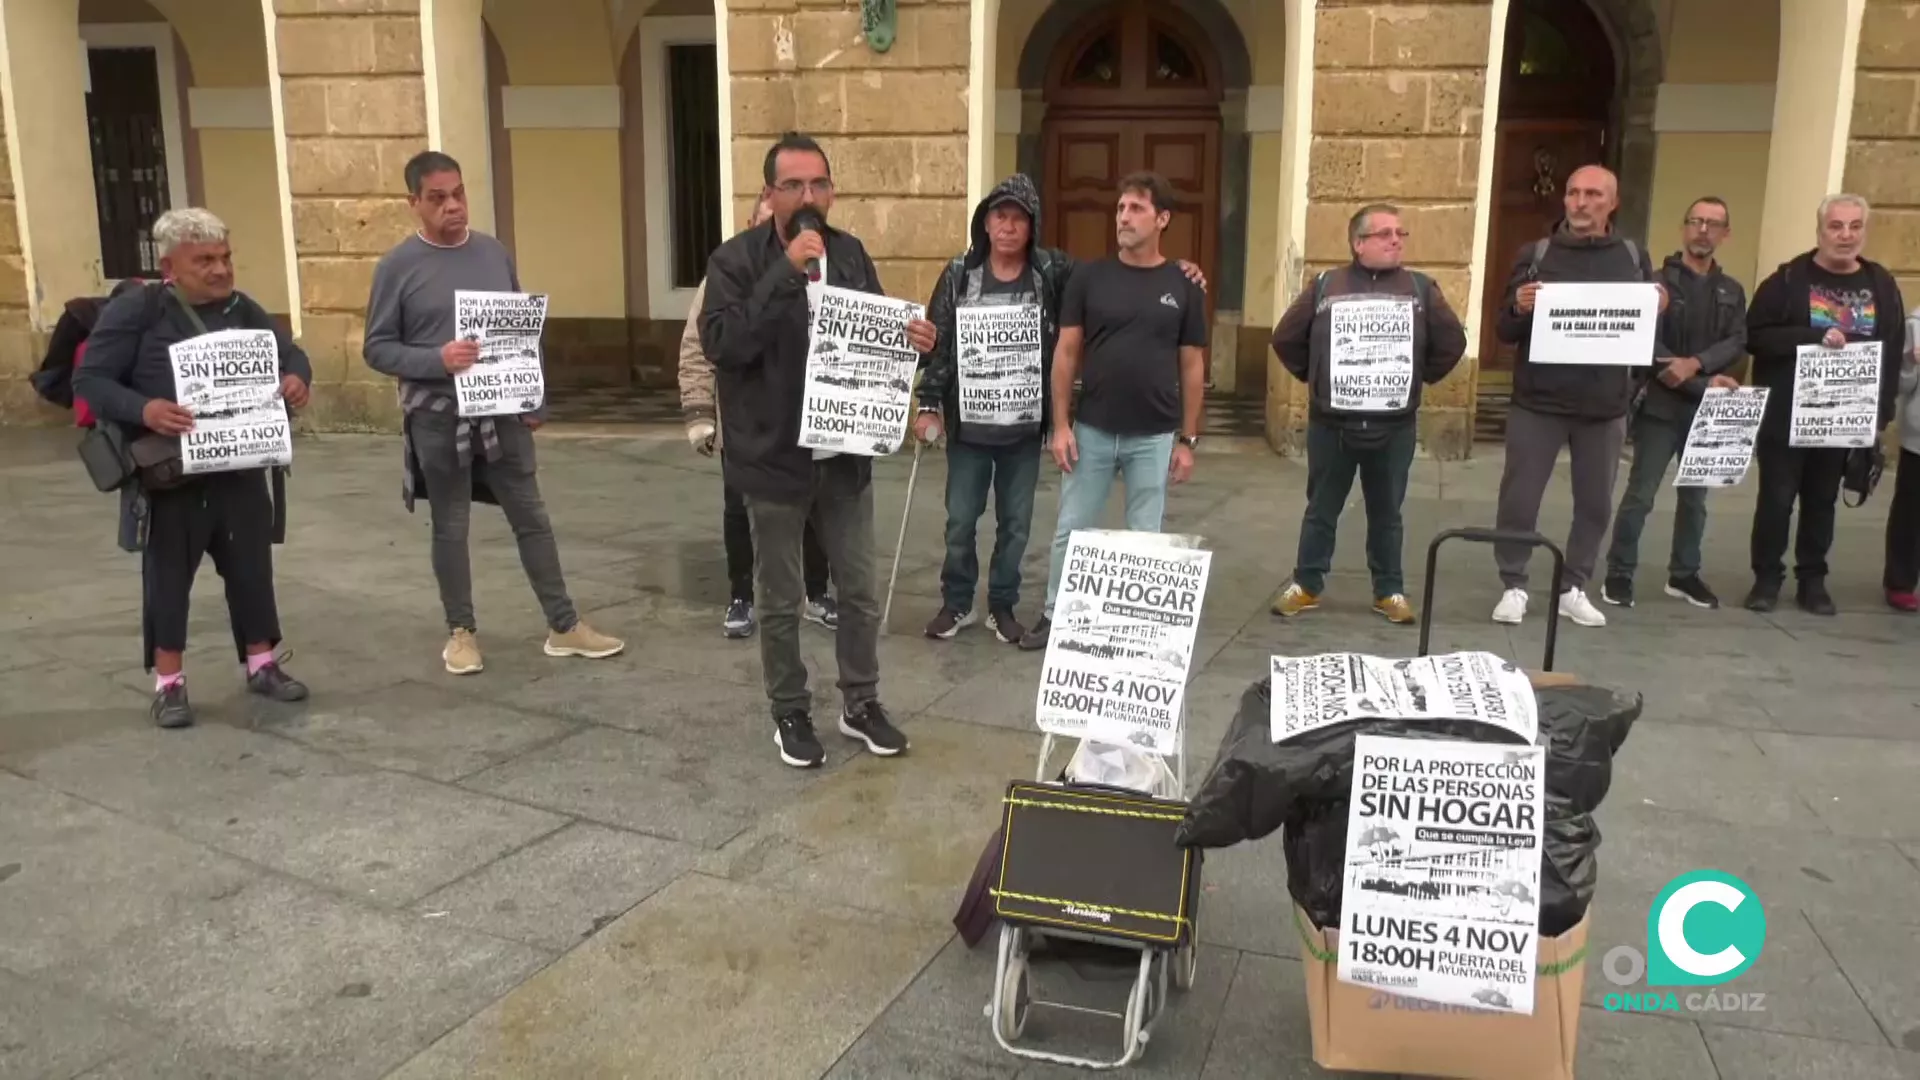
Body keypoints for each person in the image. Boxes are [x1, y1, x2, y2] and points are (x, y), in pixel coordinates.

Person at [700, 131, 937, 768]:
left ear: (832, 190)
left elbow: (875, 331)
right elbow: (724, 345)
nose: (809, 197)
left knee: (858, 590)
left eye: (820, 185)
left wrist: (910, 337)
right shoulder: (735, 262)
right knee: (779, 597)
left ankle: (861, 702)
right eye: (794, 186)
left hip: (843, 455)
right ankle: (790, 712)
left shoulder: (851, 254)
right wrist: (784, 272)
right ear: (770, 194)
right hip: (772, 458)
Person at [911, 174, 1205, 643]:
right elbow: (939, 342)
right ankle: (960, 602)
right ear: (984, 223)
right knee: (962, 518)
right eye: (998, 217)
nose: (1007, 228)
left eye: (1017, 219)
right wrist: (929, 400)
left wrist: (1183, 271)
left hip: (1029, 428)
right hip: (973, 426)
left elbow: (1178, 343)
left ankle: (1005, 606)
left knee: (1019, 525)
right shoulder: (959, 274)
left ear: (1033, 228)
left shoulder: (1053, 271)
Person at [363, 150, 624, 673]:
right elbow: (377, 348)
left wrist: (535, 396)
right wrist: (436, 359)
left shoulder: (492, 253)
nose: (452, 206)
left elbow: (519, 327)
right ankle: (461, 633)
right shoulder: (397, 267)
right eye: (437, 198)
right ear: (414, 202)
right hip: (438, 418)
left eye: (458, 194)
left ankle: (564, 624)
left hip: (503, 412)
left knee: (533, 517)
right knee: (450, 525)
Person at [73, 208, 311, 728]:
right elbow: (90, 381)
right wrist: (146, 410)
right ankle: (170, 683)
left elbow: (292, 356)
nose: (221, 270)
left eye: (225, 258)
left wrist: (296, 379)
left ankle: (262, 663)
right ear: (170, 266)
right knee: (167, 579)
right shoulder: (139, 311)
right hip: (170, 476)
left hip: (241, 467)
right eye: (204, 260)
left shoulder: (244, 310)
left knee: (251, 570)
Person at [1017, 171, 1209, 651]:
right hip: (1093, 429)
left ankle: (1137, 624)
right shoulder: (1090, 276)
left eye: (1136, 209)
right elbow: (1065, 352)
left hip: (1154, 433)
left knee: (1146, 532)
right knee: (1071, 528)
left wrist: (1188, 440)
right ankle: (1055, 613)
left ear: (1162, 218)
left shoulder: (1184, 284)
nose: (1124, 217)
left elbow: (1192, 364)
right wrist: (1059, 426)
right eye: (1121, 208)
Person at [1268, 203, 1467, 624]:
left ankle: (1389, 591)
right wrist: (1319, 378)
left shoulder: (1421, 288)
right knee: (1321, 508)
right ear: (1358, 243)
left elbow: (1451, 343)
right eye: (1385, 234)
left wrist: (1413, 379)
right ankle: (1306, 584)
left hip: (1393, 426)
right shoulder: (1326, 286)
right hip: (1332, 425)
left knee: (1387, 511)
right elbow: (1286, 338)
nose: (1396, 240)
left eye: (1400, 233)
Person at [1489, 164, 1667, 629]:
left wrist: (1658, 308)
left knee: (1595, 504)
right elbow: (1504, 329)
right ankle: (1514, 583)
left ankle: (1573, 585)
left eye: (1592, 194)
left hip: (1604, 407)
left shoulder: (1632, 256)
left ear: (1612, 202)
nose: (1580, 202)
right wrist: (1518, 306)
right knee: (1519, 500)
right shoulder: (1537, 253)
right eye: (1573, 193)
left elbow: (1645, 332)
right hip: (1538, 403)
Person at [680, 195, 837, 640]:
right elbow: (697, 346)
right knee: (738, 510)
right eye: (767, 222)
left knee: (815, 511)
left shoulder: (822, 274)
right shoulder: (727, 275)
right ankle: (741, 596)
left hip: (808, 421)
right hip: (745, 427)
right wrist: (699, 414)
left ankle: (818, 591)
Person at [1744, 193, 1906, 615]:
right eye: (1836, 226)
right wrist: (1810, 336)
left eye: (1855, 226)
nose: (1845, 235)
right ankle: (1766, 579)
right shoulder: (1787, 280)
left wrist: (1879, 415)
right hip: (1787, 416)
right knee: (1777, 500)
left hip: (1843, 420)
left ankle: (1812, 581)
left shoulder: (1881, 285)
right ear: (1820, 231)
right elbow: (1756, 336)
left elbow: (1891, 351)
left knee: (1822, 501)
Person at [1600, 197, 1749, 610]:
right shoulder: (1656, 283)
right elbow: (1645, 340)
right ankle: (1619, 573)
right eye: (1696, 221)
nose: (1703, 230)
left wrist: (1696, 367)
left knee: (1695, 500)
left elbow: (1737, 341)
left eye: (1713, 224)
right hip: (1660, 408)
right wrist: (1687, 373)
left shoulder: (1731, 290)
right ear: (1684, 228)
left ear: (1725, 234)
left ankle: (1684, 575)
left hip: (1708, 412)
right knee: (1641, 495)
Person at [1884, 312, 1920, 611]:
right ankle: (1900, 581)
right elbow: (1901, 384)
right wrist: (1910, 363)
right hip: (1919, 437)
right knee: (1911, 513)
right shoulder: (1915, 324)